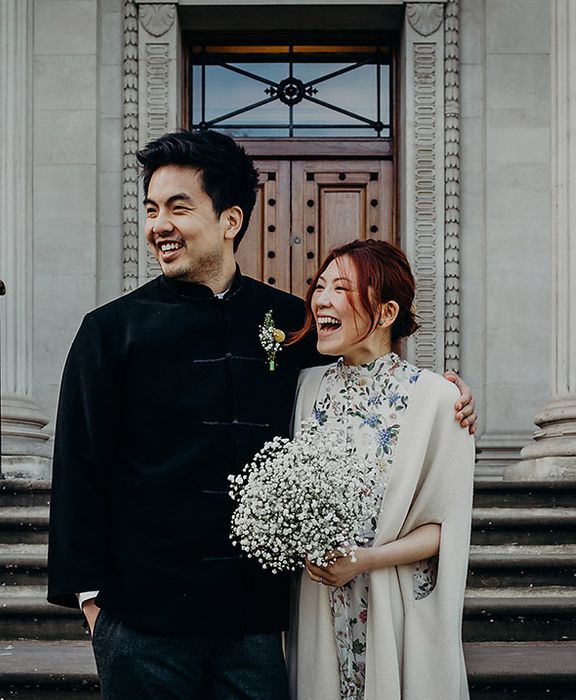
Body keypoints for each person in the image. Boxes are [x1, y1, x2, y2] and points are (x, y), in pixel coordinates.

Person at [46, 130, 476, 699]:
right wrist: (92, 605)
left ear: (230, 221)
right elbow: (78, 464)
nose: (159, 226)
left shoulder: (289, 321)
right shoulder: (110, 330)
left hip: (253, 623)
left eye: (179, 207)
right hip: (140, 621)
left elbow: (362, 372)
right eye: (151, 209)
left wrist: (446, 392)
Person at [285, 239, 475, 700]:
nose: (321, 300)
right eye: (321, 285)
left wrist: (364, 560)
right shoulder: (305, 386)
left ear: (386, 313)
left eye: (341, 288)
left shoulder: (438, 399)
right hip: (319, 601)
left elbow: (445, 530)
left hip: (393, 602)